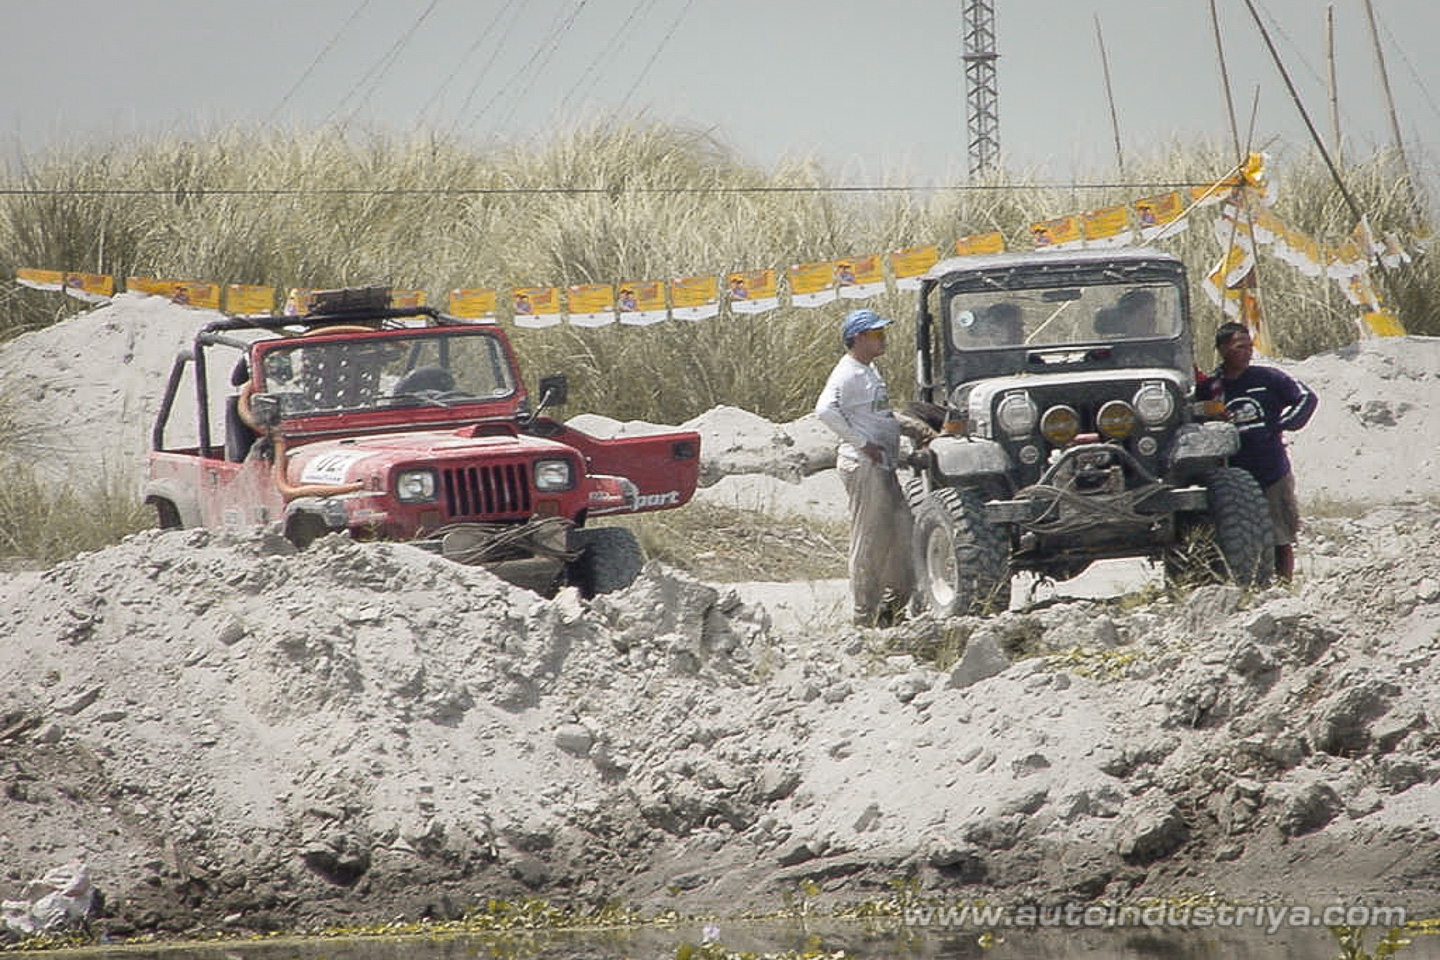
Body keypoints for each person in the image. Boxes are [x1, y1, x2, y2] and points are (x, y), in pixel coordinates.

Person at [815, 308, 915, 627]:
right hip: (863, 465)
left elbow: (879, 414)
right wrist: (860, 441)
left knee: (903, 532)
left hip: (882, 463)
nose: (882, 338)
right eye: (875, 333)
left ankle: (893, 607)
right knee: (869, 539)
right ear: (858, 338)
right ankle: (863, 616)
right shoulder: (848, 372)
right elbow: (824, 410)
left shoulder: (869, 371)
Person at [1200, 321, 1319, 581]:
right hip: (1231, 475)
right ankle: (1247, 584)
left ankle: (1284, 586)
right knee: (1237, 534)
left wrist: (1283, 424)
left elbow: (1306, 398)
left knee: (1280, 535)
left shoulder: (1268, 378)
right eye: (1239, 347)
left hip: (1271, 469)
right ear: (1222, 349)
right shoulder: (1211, 388)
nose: (1247, 352)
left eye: (1249, 347)